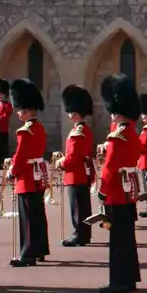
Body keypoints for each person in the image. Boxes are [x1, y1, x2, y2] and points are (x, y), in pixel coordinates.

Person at [96, 74, 143, 293]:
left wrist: (101, 192)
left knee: (117, 239)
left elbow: (109, 170)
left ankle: (119, 281)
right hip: (129, 192)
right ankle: (129, 277)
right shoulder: (131, 134)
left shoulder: (117, 137)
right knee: (127, 236)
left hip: (116, 193)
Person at [7, 78, 50, 267]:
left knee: (28, 216)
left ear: (26, 110)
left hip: (27, 177)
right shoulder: (39, 128)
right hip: (38, 175)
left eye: (19, 109)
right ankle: (40, 249)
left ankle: (28, 253)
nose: (18, 113)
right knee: (38, 213)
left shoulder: (25, 131)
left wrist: (11, 172)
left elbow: (20, 156)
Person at [55, 85, 94, 247]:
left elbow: (73, 157)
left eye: (71, 113)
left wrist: (60, 162)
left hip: (75, 174)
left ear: (76, 113)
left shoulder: (78, 132)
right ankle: (84, 233)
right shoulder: (84, 129)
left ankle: (79, 233)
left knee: (77, 207)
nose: (69, 115)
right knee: (83, 205)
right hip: (82, 173)